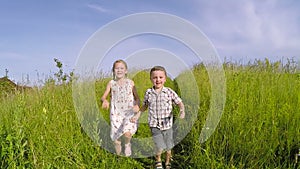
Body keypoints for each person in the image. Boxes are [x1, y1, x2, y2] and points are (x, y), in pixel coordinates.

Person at [131, 66, 185, 169]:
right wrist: (137, 115)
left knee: (169, 146)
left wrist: (182, 111)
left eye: (160, 77)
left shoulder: (169, 92)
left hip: (167, 124)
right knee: (159, 145)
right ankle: (158, 160)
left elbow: (180, 103)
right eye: (155, 77)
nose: (158, 80)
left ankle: (168, 161)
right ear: (151, 79)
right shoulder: (148, 92)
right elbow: (145, 106)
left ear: (165, 79)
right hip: (154, 124)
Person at [101, 59, 140, 157]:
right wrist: (104, 100)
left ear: (126, 71)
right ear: (113, 70)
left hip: (128, 111)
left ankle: (127, 144)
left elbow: (137, 97)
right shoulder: (111, 83)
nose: (119, 70)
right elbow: (103, 96)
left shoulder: (130, 83)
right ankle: (119, 157)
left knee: (127, 133)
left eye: (122, 68)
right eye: (116, 68)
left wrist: (137, 105)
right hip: (116, 113)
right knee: (116, 139)